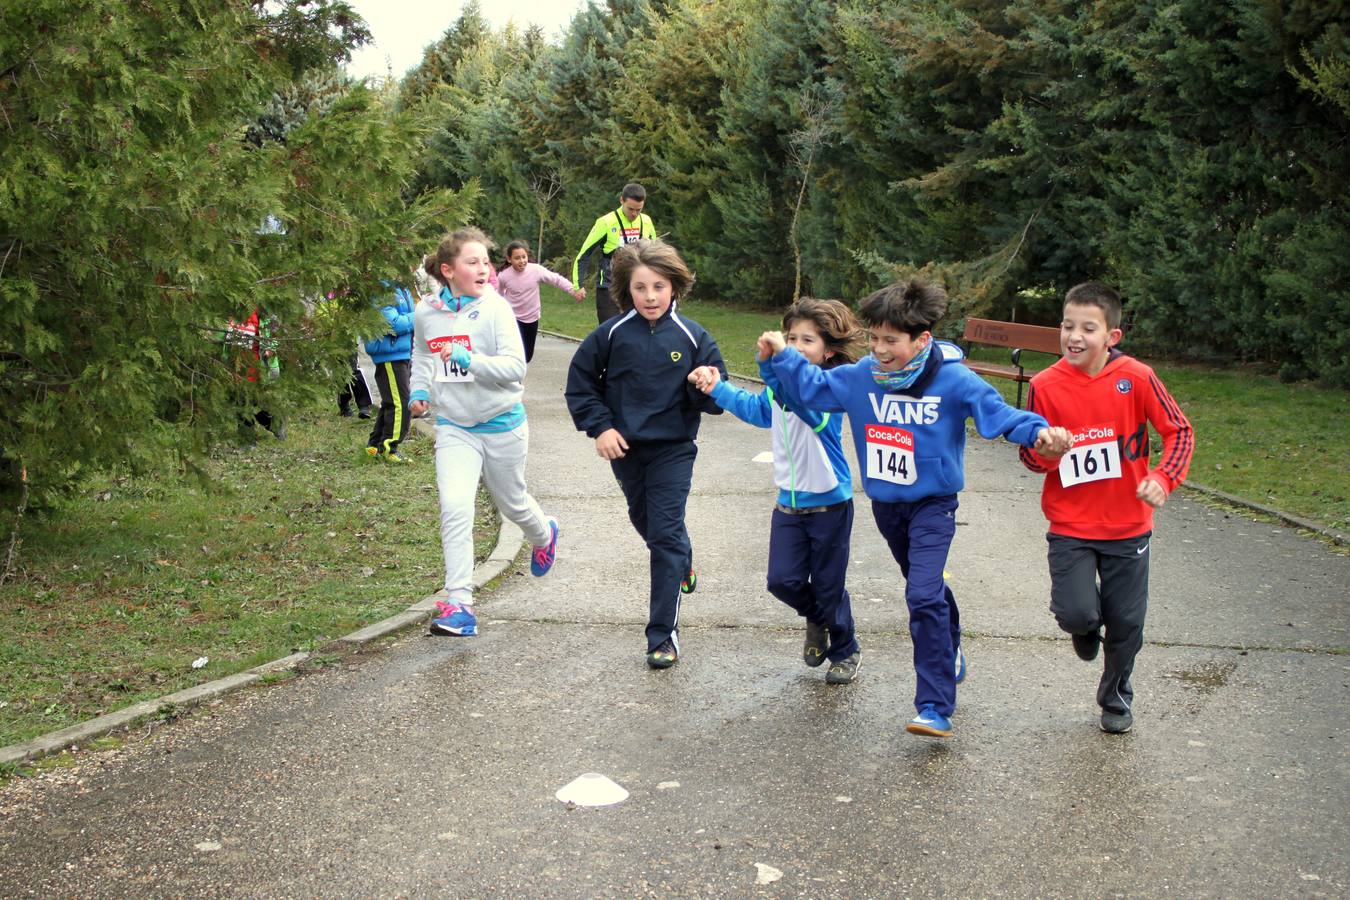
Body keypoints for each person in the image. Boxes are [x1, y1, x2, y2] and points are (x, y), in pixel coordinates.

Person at [761, 279, 1073, 738]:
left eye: (891, 340)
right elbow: (809, 389)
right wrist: (780, 355)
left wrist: (1039, 432)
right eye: (874, 338)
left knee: (922, 595)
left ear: (921, 339)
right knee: (925, 589)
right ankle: (950, 645)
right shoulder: (860, 377)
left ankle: (934, 705)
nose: (880, 349)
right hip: (889, 509)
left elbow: (999, 414)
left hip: (934, 505)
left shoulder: (953, 380)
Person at [1019, 282, 1193, 734]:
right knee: (1076, 612)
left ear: (1111, 336)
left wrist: (1162, 477)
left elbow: (1179, 431)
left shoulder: (1135, 376)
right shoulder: (1044, 384)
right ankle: (1083, 626)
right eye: (1067, 325)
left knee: (1128, 623)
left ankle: (1116, 696)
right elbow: (1029, 456)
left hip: (1128, 527)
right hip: (1071, 524)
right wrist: (1049, 451)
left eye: (1088, 328)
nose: (1074, 336)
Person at [565, 239, 726, 669]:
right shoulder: (610, 335)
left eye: (659, 286)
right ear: (626, 290)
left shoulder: (694, 336)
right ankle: (681, 560)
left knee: (665, 534)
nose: (650, 296)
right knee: (648, 524)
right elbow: (581, 385)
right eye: (640, 288)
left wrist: (708, 383)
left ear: (674, 286)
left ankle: (663, 636)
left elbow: (716, 397)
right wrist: (600, 428)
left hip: (674, 449)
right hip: (625, 450)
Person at [688, 298, 864, 683]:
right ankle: (817, 618)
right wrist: (718, 387)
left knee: (830, 586)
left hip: (830, 505)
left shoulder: (826, 394)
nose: (797, 346)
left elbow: (799, 401)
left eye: (807, 340)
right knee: (781, 581)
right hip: (789, 504)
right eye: (791, 338)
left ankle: (846, 650)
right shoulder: (780, 389)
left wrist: (773, 364)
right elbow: (757, 409)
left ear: (828, 351)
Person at [409, 228, 560, 637]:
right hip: (455, 428)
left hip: (502, 425)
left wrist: (468, 359)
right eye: (472, 262)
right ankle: (459, 603)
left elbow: (514, 369)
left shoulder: (496, 309)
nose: (483, 269)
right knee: (455, 507)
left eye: (485, 262)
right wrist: (419, 390)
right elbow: (422, 351)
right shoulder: (427, 311)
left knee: (512, 503)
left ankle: (544, 534)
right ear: (448, 270)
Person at [572, 182, 656, 324]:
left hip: (638, 285)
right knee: (609, 332)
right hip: (609, 286)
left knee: (639, 331)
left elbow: (656, 253)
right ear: (621, 200)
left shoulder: (646, 221)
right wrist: (578, 285)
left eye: (638, 210)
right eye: (630, 209)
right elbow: (584, 254)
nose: (634, 214)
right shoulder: (605, 222)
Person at [497, 240, 586, 363]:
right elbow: (498, 295)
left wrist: (573, 290)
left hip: (532, 318)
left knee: (527, 355)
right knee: (515, 353)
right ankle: (513, 378)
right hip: (513, 318)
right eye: (517, 258)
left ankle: (516, 373)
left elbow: (556, 280)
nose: (522, 261)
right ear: (509, 259)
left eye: (524, 257)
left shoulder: (536, 270)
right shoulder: (503, 276)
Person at [363, 283, 415, 462]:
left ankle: (374, 445)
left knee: (390, 402)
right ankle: (389, 448)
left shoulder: (403, 288)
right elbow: (393, 324)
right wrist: (419, 316)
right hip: (390, 355)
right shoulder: (381, 289)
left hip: (402, 353)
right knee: (401, 403)